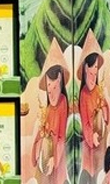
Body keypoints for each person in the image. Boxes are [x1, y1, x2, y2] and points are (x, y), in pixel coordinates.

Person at [32, 39, 70, 184]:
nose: (52, 94)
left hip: (57, 158)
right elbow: (41, 133)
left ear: (59, 80)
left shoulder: (63, 103)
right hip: (45, 157)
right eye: (49, 89)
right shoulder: (47, 109)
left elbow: (61, 137)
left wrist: (55, 156)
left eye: (54, 88)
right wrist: (37, 147)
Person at [77, 30, 110, 184]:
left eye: (95, 73)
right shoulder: (83, 94)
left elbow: (105, 110)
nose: (93, 77)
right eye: (91, 74)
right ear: (85, 69)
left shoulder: (98, 90)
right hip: (88, 143)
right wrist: (91, 136)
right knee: (89, 171)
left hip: (101, 139)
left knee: (100, 170)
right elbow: (85, 121)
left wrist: (104, 111)